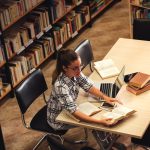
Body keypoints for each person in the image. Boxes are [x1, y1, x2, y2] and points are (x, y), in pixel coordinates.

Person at [47, 49, 122, 149]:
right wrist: (100, 122)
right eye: (75, 68)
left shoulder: (74, 72)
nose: (79, 70)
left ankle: (109, 142)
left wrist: (105, 97)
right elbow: (74, 112)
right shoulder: (60, 86)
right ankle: (108, 146)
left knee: (100, 112)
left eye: (80, 66)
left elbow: (88, 86)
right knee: (98, 123)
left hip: (69, 108)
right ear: (64, 68)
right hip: (59, 119)